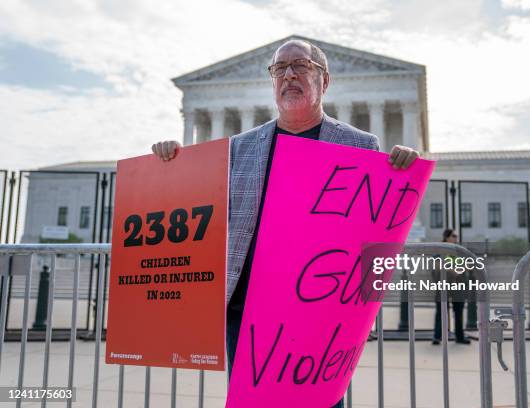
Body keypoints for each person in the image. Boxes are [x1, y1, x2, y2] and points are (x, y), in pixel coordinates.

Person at [152, 39, 420, 407]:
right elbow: (194, 211)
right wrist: (171, 164)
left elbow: (377, 233)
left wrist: (402, 171)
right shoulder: (239, 148)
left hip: (320, 311)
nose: (289, 75)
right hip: (248, 311)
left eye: (301, 66)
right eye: (280, 69)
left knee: (321, 403)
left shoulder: (362, 145)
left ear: (324, 81)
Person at [432, 229, 471, 345]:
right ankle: (437, 337)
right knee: (441, 311)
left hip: (458, 285)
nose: (456, 238)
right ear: (447, 237)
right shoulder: (440, 249)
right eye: (454, 236)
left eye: (456, 236)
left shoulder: (459, 251)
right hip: (443, 285)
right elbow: (437, 265)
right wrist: (452, 270)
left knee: (458, 312)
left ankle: (459, 336)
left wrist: (459, 270)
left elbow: (467, 265)